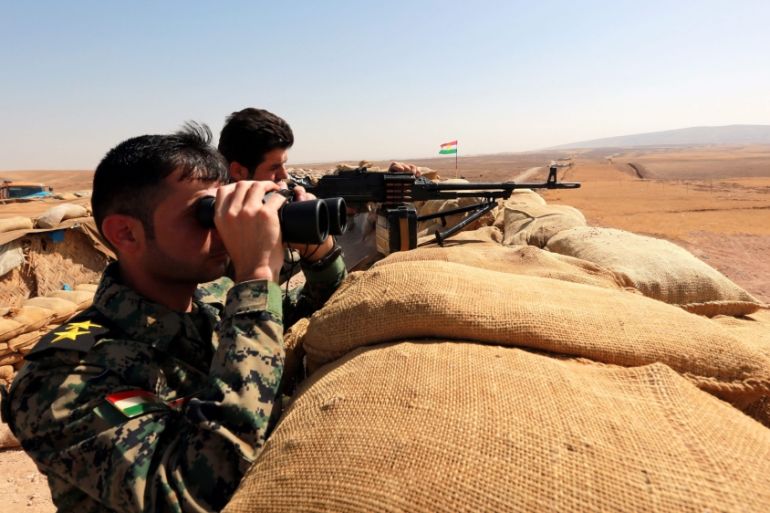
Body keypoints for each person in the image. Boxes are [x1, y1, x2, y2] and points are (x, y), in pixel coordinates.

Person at [2, 123, 345, 512]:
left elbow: (327, 314)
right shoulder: (62, 376)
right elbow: (193, 490)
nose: (224, 227)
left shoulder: (211, 298)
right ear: (126, 234)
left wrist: (320, 253)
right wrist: (256, 278)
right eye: (207, 213)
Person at [217, 107, 420, 270]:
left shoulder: (287, 198)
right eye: (273, 168)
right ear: (239, 171)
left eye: (284, 164)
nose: (284, 176)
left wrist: (386, 193)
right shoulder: (216, 240)